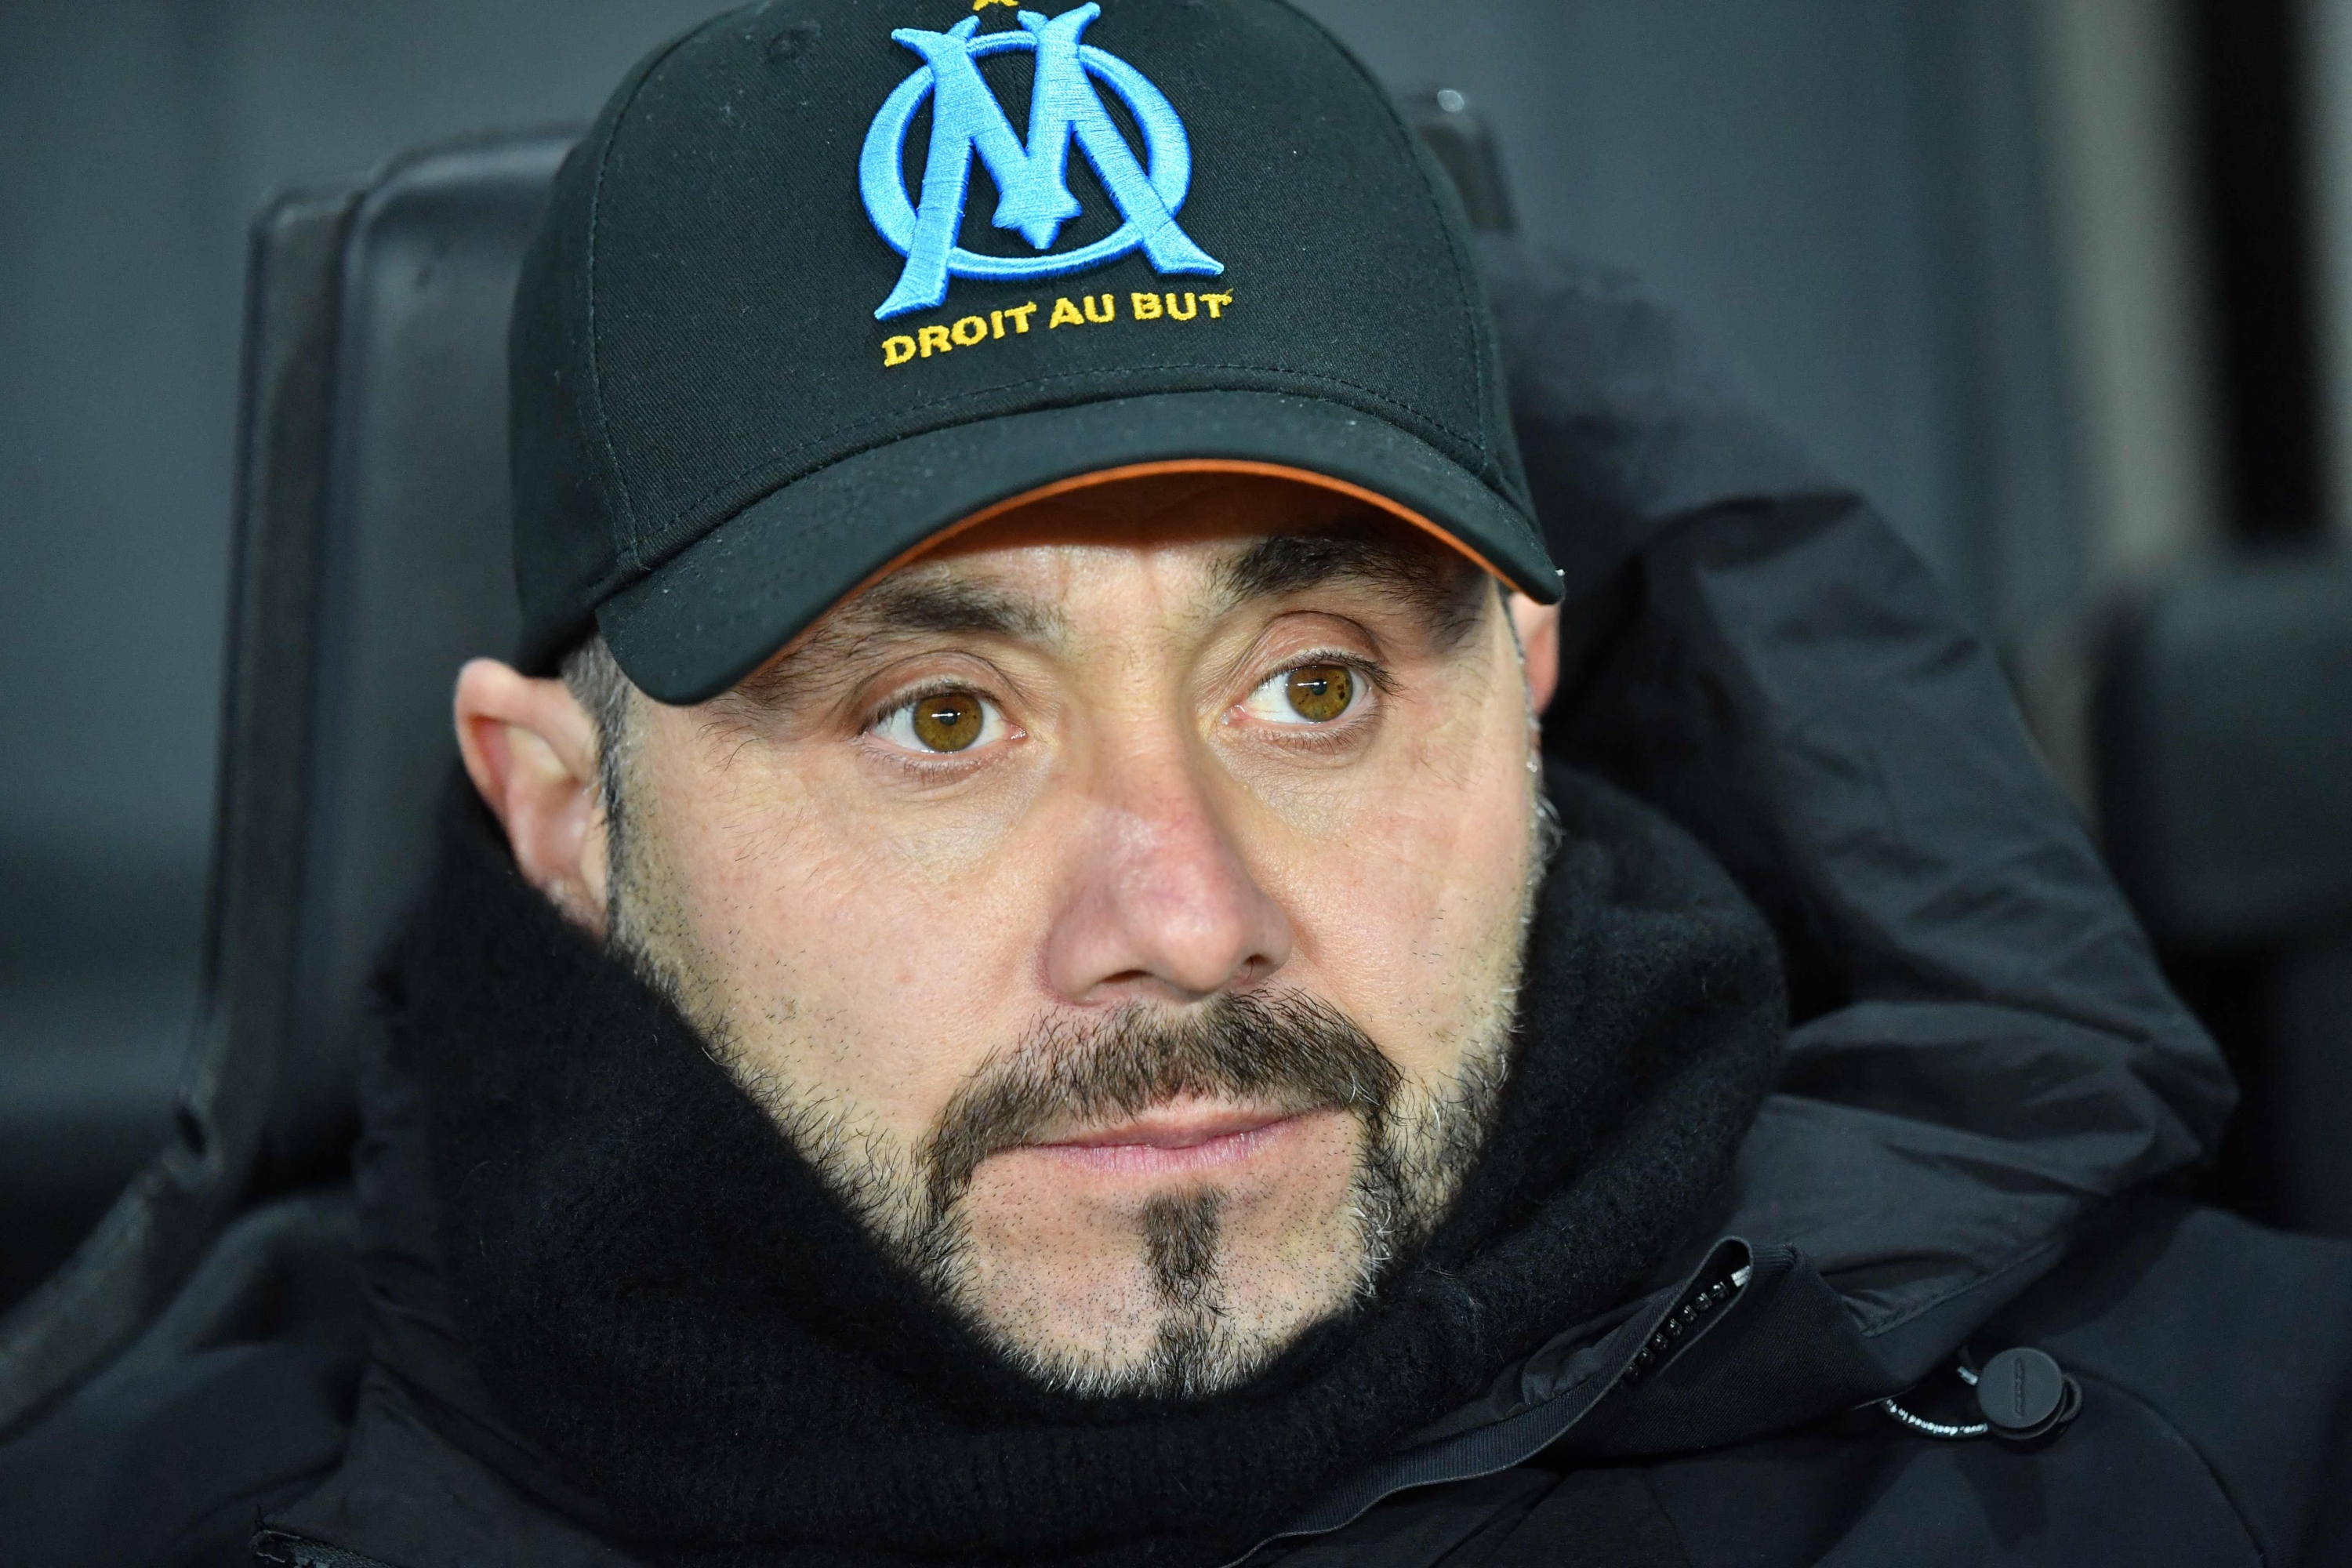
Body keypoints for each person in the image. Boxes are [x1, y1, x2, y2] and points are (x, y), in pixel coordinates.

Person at [4, 2, 2350, 1564]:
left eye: (1313, 685)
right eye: (943, 718)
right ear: (565, 820)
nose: (1184, 906)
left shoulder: (2201, 1459)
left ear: (1528, 686)